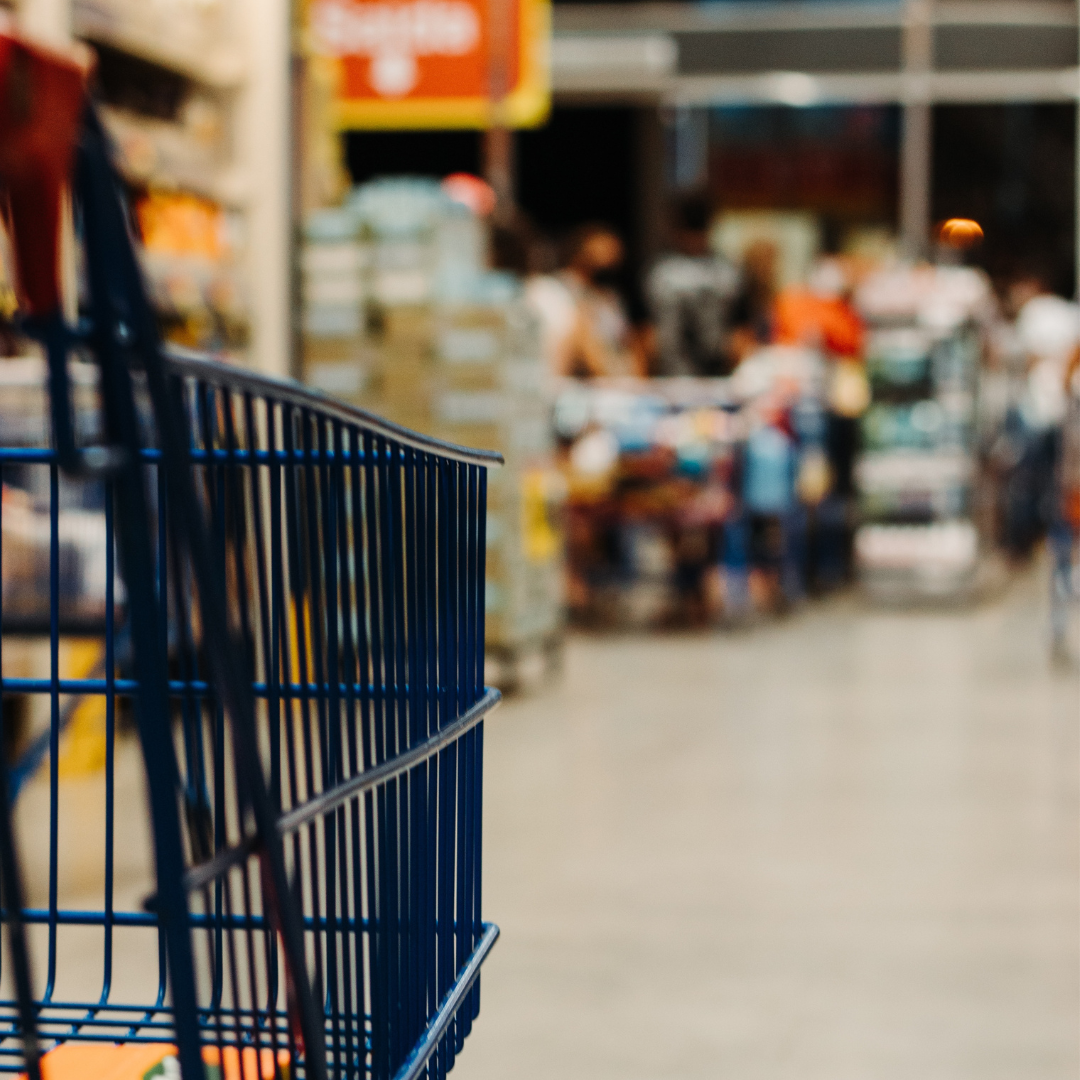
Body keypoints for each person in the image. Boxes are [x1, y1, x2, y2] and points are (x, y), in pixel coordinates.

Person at [646, 193, 741, 376]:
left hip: (717, 376)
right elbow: (646, 336)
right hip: (672, 376)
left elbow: (740, 335)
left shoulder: (727, 272)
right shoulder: (659, 273)